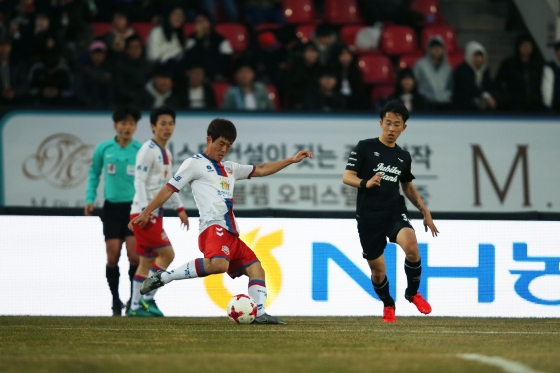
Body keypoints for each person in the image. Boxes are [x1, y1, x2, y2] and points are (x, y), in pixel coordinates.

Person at [129, 118, 313, 324]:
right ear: (209, 139)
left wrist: (291, 160)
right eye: (221, 144)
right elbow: (169, 188)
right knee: (218, 264)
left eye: (228, 146)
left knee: (256, 269)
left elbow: (261, 169)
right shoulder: (194, 163)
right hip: (212, 228)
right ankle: (165, 277)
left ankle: (259, 314)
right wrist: (146, 211)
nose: (224, 149)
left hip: (231, 233)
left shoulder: (230, 168)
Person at [342, 100, 439, 323]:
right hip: (368, 216)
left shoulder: (403, 157)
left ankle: (412, 293)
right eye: (388, 123)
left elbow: (407, 187)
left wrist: (424, 210)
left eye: (397, 124)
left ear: (404, 127)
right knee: (378, 273)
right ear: (380, 123)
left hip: (394, 211)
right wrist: (366, 182)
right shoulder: (365, 147)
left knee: (412, 247)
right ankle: (388, 304)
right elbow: (347, 176)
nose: (391, 129)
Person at [127, 106, 188, 317]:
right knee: (168, 254)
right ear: (153, 127)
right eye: (162, 123)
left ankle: (135, 307)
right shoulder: (147, 150)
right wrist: (145, 211)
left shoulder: (166, 152)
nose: (167, 128)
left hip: (153, 213)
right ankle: (147, 299)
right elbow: (139, 181)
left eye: (170, 123)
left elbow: (170, 185)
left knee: (145, 261)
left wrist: (179, 208)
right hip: (144, 214)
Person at [85, 106, 142, 316]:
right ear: (115, 125)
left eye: (131, 123)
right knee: (112, 256)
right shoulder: (104, 148)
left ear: (135, 126)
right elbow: (94, 173)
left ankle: (133, 300)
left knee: (134, 257)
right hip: (111, 208)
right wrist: (90, 198)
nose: (127, 127)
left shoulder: (140, 150)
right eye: (123, 123)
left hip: (134, 209)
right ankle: (115, 300)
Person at [495, 35, 543, 111]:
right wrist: (506, 96)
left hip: (534, 106)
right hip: (514, 106)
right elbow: (498, 82)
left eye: (529, 46)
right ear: (518, 46)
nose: (526, 48)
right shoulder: (509, 64)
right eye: (524, 45)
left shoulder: (537, 65)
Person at [184, 13, 232, 81]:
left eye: (202, 21)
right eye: (197, 21)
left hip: (215, 72)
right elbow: (187, 57)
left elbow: (227, 58)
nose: (199, 24)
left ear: (209, 23)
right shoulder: (192, 38)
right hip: (196, 72)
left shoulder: (220, 39)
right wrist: (198, 39)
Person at [453, 41, 496, 111]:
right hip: (463, 107)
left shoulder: (485, 69)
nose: (479, 59)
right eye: (475, 56)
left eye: (480, 56)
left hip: (481, 104)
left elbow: (488, 85)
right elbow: (470, 87)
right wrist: (486, 96)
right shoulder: (462, 70)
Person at [413, 35, 453, 110]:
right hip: (426, 103)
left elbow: (450, 86)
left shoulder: (447, 67)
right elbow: (415, 85)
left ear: (443, 49)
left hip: (445, 104)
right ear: (429, 49)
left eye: (439, 47)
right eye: (434, 47)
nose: (436, 49)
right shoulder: (420, 65)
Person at [115, 35, 154, 105]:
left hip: (145, 101)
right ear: (126, 49)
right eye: (132, 47)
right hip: (124, 100)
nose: (135, 50)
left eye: (138, 47)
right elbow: (119, 85)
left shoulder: (149, 66)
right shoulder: (119, 65)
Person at [75, 40, 115, 108]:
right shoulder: (83, 69)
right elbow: (78, 88)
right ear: (90, 55)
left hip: (108, 109)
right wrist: (88, 101)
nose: (98, 56)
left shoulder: (111, 69)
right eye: (95, 53)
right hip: (88, 108)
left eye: (101, 53)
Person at [286, 43, 321, 109]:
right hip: (298, 102)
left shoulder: (321, 69)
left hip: (318, 102)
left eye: (314, 51)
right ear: (303, 53)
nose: (312, 54)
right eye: (309, 51)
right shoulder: (295, 69)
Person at [335, 46, 367, 111]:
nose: (345, 57)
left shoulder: (356, 72)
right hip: (337, 98)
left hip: (353, 99)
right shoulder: (334, 71)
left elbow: (359, 89)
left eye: (348, 54)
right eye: (342, 54)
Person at [0, 37, 27, 106]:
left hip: (16, 99)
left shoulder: (18, 64)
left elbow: (24, 83)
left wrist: (15, 92)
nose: (4, 49)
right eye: (2, 46)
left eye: (7, 46)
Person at [542, 40, 560, 111]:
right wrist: (549, 108)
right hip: (556, 108)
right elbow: (547, 89)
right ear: (556, 52)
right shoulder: (550, 68)